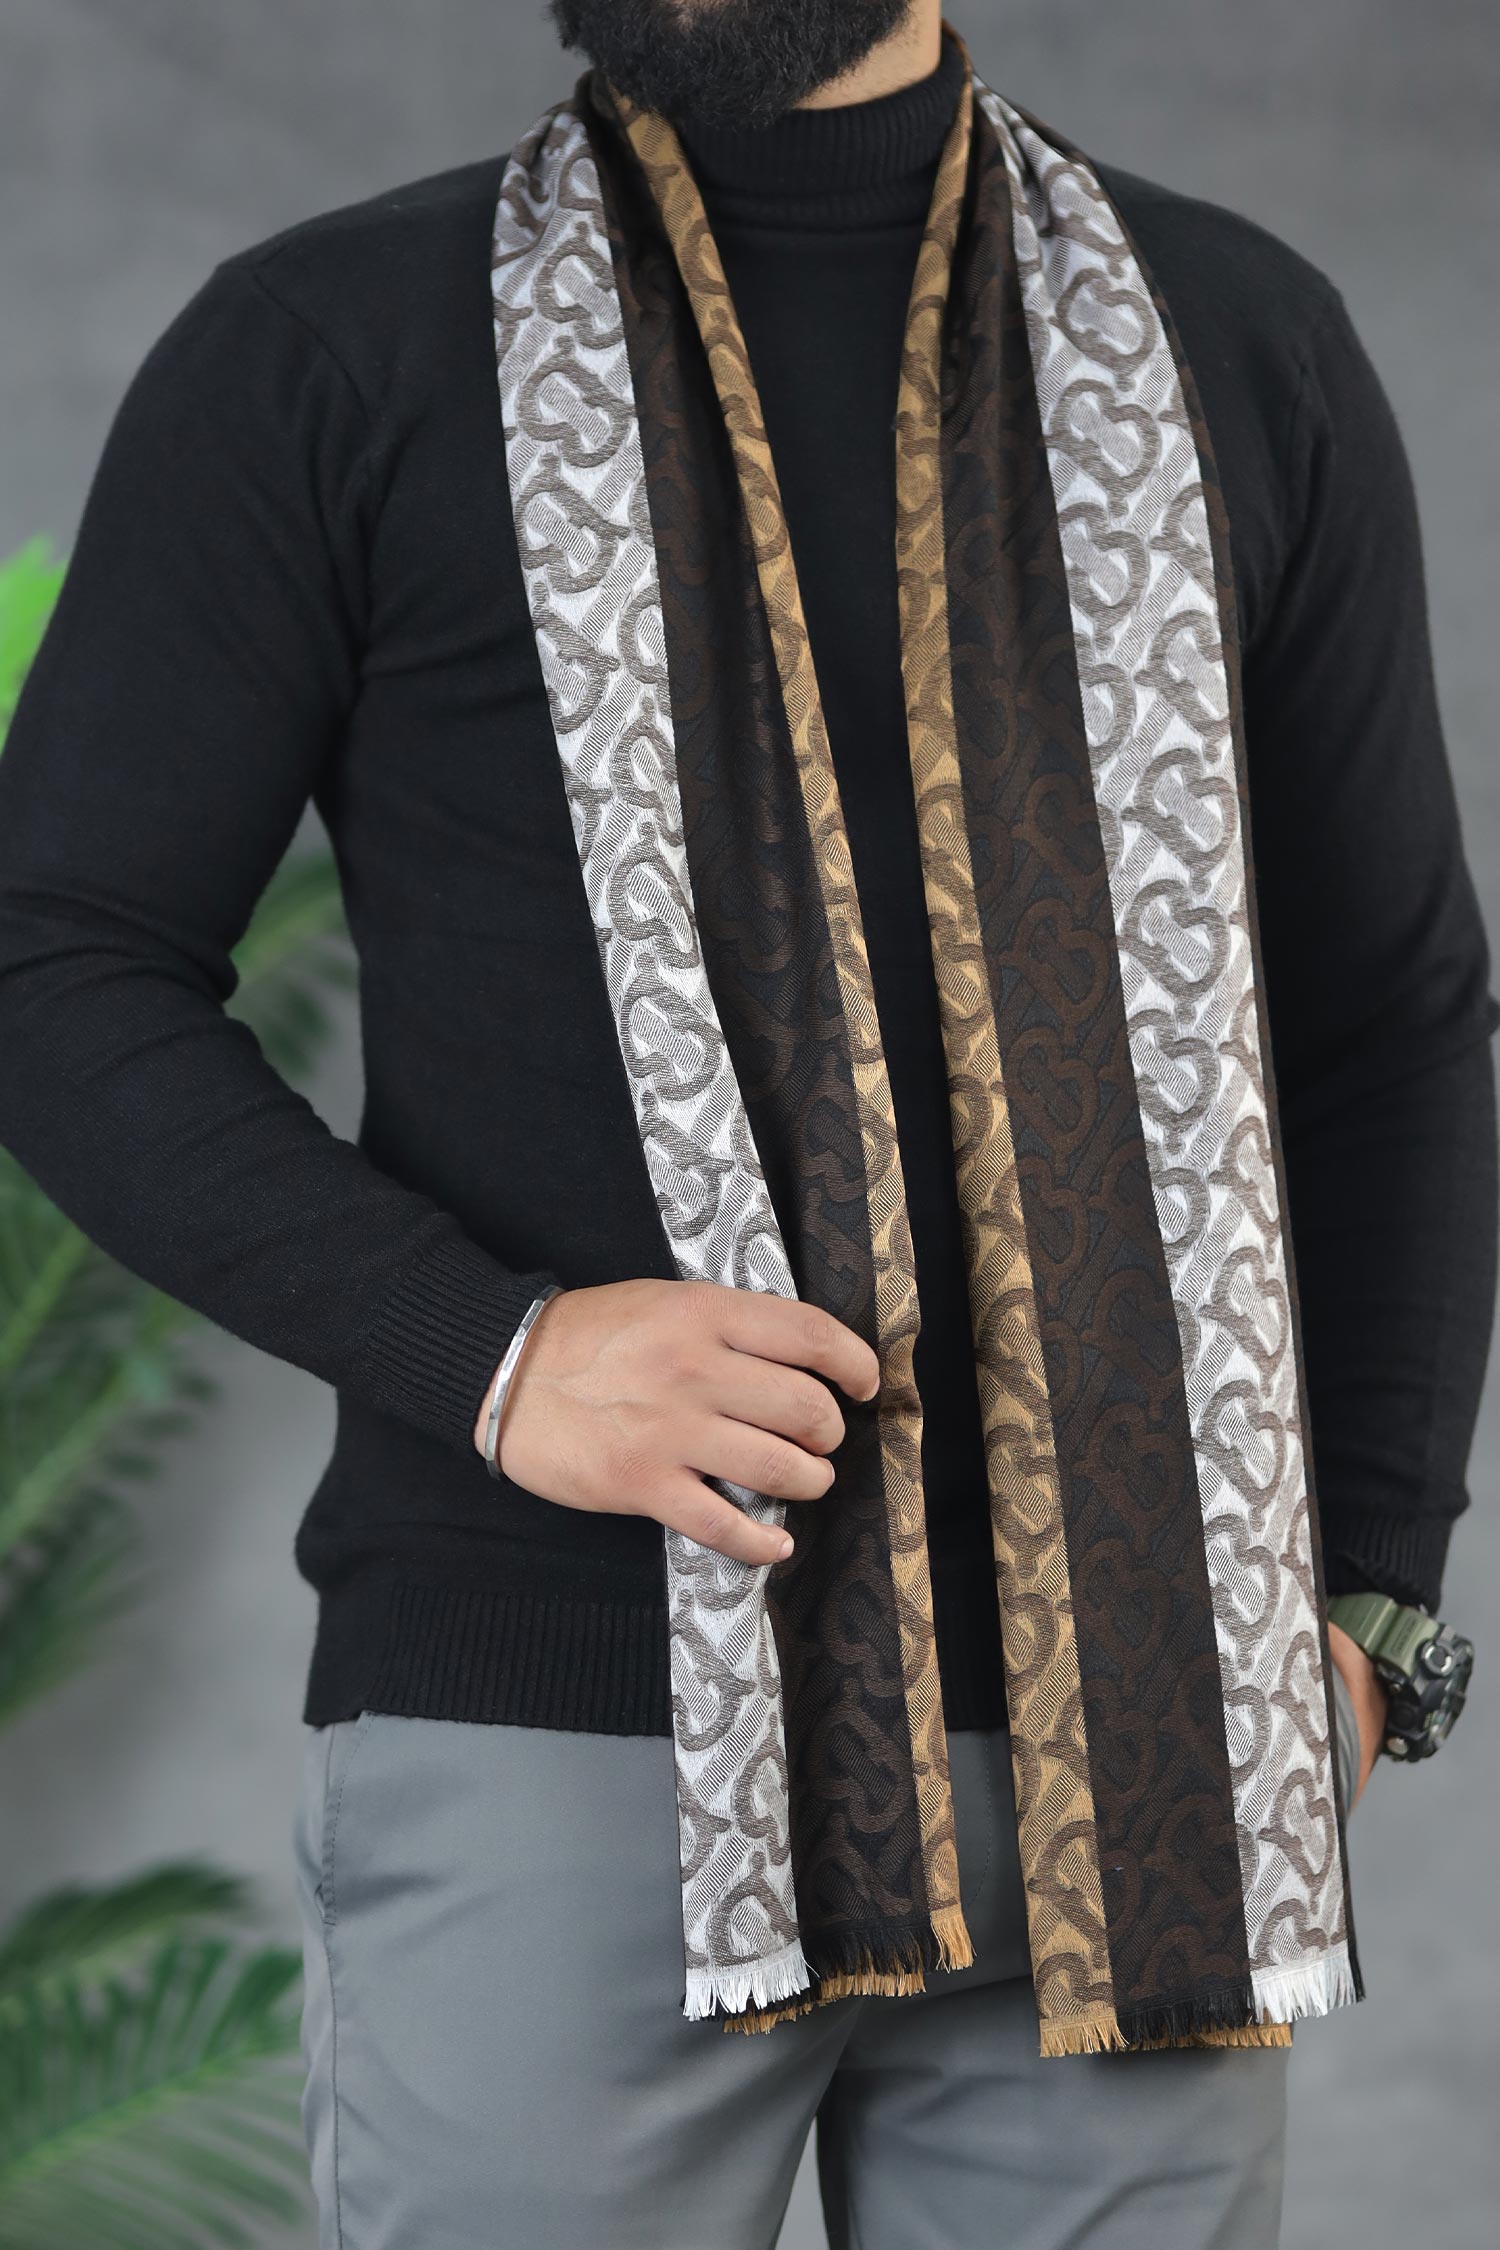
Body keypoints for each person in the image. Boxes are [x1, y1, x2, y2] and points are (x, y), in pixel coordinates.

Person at [0, 2, 1492, 2244]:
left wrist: (1369, 1587)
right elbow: (55, 959)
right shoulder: (334, 347)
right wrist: (495, 1353)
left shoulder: (1236, 342)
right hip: (572, 1726)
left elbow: (1394, 1021)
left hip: (1146, 1776)